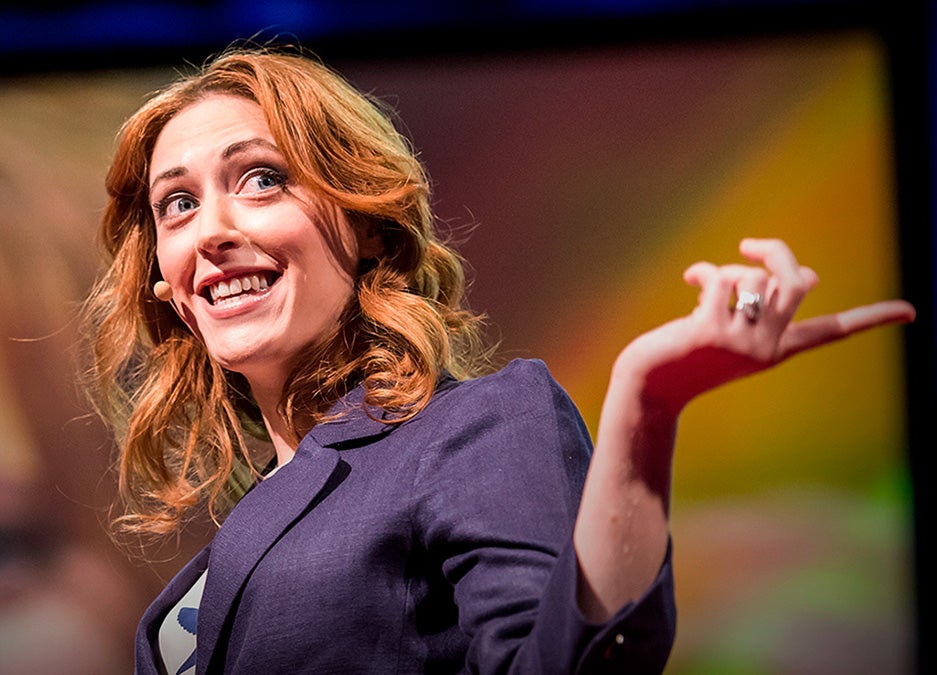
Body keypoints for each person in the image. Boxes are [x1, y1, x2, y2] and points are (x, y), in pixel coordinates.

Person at [79, 43, 915, 674]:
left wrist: (643, 406)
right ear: (168, 283)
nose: (213, 229)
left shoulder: (472, 426)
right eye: (178, 203)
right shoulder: (225, 553)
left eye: (260, 179)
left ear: (368, 221)